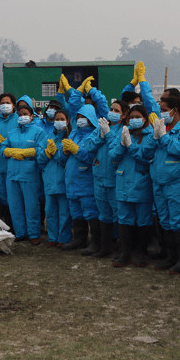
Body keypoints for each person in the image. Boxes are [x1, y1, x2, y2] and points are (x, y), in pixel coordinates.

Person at [150, 96, 180, 274]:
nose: (161, 113)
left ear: (174, 110)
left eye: (163, 109)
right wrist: (156, 136)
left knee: (177, 220)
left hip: (177, 181)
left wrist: (163, 137)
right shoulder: (162, 126)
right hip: (159, 180)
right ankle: (170, 257)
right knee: (165, 220)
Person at [109, 104, 156, 267]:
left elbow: (146, 155)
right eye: (132, 117)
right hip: (123, 181)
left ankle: (141, 253)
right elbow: (112, 155)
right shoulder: (124, 132)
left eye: (138, 117)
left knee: (143, 219)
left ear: (145, 119)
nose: (135, 120)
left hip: (141, 181)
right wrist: (123, 144)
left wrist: (131, 145)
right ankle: (124, 253)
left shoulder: (150, 135)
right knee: (124, 219)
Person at [78, 101, 126, 258]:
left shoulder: (125, 130)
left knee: (118, 214)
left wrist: (109, 135)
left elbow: (118, 150)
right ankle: (104, 247)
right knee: (103, 214)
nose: (112, 112)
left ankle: (121, 247)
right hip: (99, 177)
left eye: (116, 110)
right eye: (111, 109)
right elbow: (89, 145)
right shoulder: (101, 128)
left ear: (124, 114)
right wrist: (101, 135)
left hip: (115, 178)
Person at [0, 99, 47, 243]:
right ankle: (20, 233)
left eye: (25, 114)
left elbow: (41, 150)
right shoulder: (12, 132)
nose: (22, 117)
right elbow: (2, 148)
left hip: (29, 174)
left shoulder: (39, 132)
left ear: (32, 116)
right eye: (20, 115)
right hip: (12, 174)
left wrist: (27, 152)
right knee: (15, 205)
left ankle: (34, 234)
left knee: (31, 205)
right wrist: (9, 151)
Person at [58, 103, 100, 251]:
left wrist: (76, 150)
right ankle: (79, 239)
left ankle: (96, 241)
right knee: (75, 211)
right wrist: (65, 152)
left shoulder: (95, 134)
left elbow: (92, 157)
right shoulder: (74, 133)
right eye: (79, 117)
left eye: (84, 117)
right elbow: (64, 159)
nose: (81, 120)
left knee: (90, 211)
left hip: (86, 180)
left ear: (91, 118)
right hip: (71, 180)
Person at [38, 109, 72, 246]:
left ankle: (64, 238)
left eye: (61, 119)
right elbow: (40, 160)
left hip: (63, 180)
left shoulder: (70, 138)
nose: (58, 122)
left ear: (68, 121)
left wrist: (56, 153)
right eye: (56, 119)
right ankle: (52, 237)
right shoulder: (47, 137)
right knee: (50, 211)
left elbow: (65, 159)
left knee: (64, 212)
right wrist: (47, 153)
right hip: (49, 180)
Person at [0, 93, 18, 225]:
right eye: (2, 103)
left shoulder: (18, 119)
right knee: (1, 196)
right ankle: (4, 223)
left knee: (15, 196)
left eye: (7, 103)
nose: (5, 106)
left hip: (14, 163)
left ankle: (14, 224)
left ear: (13, 105)